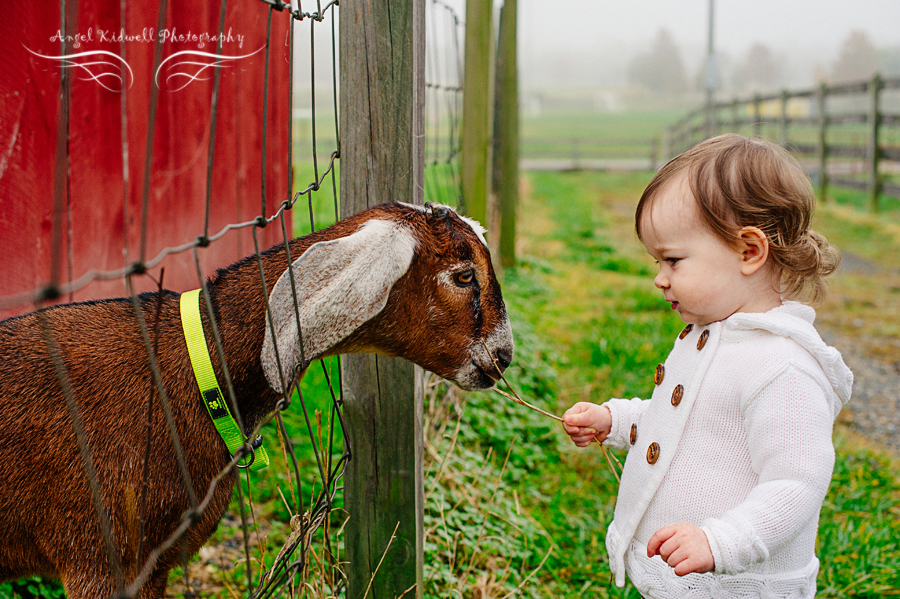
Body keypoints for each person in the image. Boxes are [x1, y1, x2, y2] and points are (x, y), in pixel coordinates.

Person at [562, 134, 853, 598]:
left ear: (748, 252)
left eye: (673, 260)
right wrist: (616, 420)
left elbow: (797, 482)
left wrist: (720, 541)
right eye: (656, 260)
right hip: (687, 581)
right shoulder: (708, 336)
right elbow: (687, 424)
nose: (659, 278)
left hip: (737, 585)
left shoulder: (782, 367)